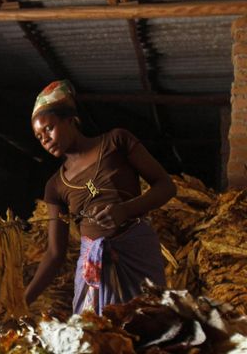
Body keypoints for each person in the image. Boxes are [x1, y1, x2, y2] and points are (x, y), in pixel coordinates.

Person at [24, 80, 176, 315]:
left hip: (136, 254)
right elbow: (55, 253)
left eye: (48, 128)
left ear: (70, 119)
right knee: (95, 338)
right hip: (93, 267)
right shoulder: (55, 186)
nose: (44, 139)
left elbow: (166, 186)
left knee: (149, 329)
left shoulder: (116, 142)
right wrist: (22, 301)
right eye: (38, 136)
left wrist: (125, 210)